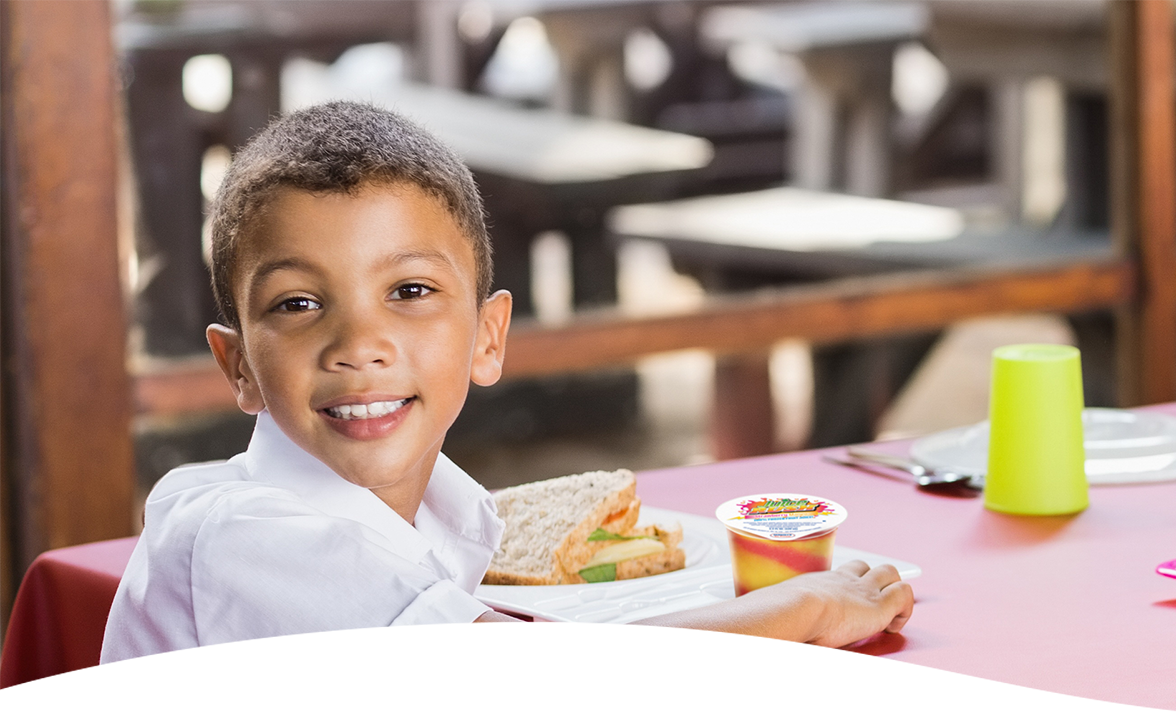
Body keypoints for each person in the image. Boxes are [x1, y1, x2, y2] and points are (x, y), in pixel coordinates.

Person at [98, 102, 914, 721]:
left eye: (409, 291)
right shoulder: (255, 540)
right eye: (300, 302)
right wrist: (799, 607)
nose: (360, 342)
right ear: (238, 365)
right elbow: (563, 693)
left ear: (488, 338)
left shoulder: (437, 515)